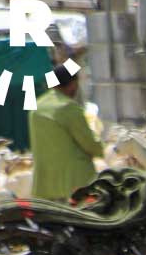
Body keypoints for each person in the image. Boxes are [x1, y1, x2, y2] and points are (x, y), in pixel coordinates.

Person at [29, 69, 103, 201]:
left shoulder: (37, 108)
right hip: (75, 183)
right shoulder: (68, 107)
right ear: (73, 84)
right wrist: (104, 150)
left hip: (45, 184)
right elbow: (89, 143)